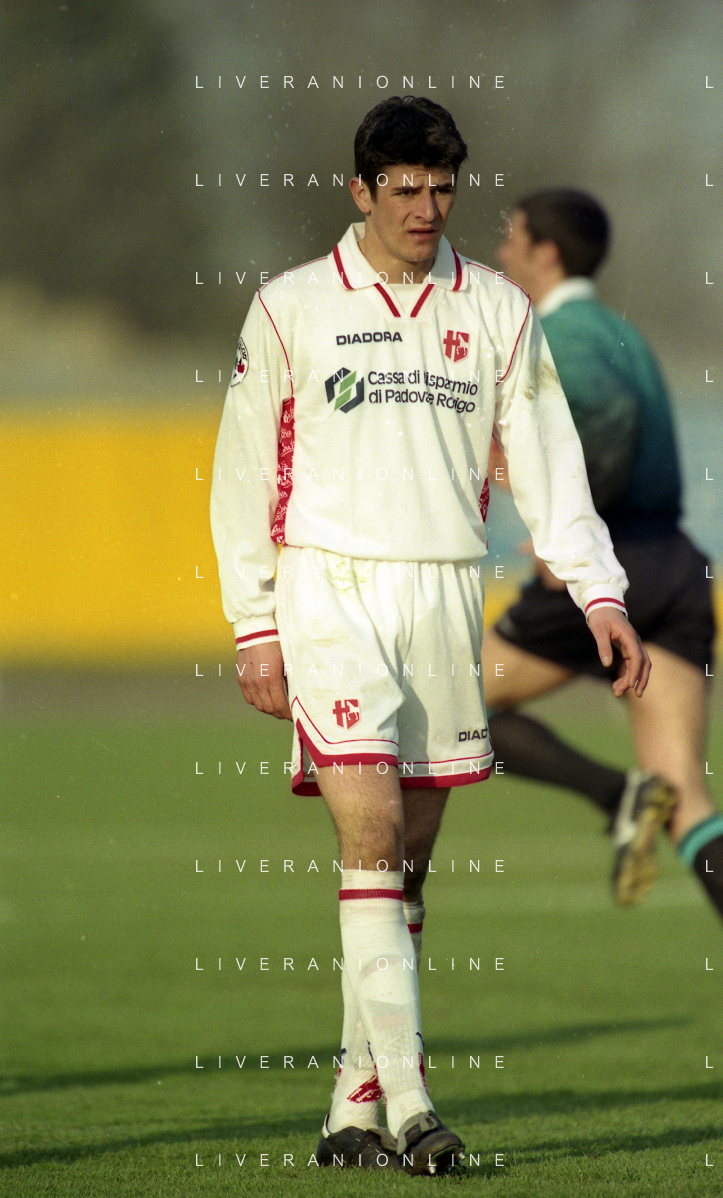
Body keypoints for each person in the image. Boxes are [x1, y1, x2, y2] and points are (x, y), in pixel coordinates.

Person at [210, 104, 650, 1173]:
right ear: (360, 191)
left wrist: (598, 592)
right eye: (403, 188)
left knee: (405, 864)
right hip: (330, 591)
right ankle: (413, 1105)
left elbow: (547, 461)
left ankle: (350, 1107)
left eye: (441, 188)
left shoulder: (495, 308)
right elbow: (242, 473)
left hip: (442, 596)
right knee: (366, 837)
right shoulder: (290, 307)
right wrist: (255, 621)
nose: (424, 207)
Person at [483, 188, 723, 1052]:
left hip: (615, 568)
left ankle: (614, 795)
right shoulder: (622, 332)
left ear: (546, 252)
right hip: (676, 563)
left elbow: (607, 417)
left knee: (455, 704)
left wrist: (565, 528)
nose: (501, 251)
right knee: (685, 788)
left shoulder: (562, 336)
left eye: (512, 237)